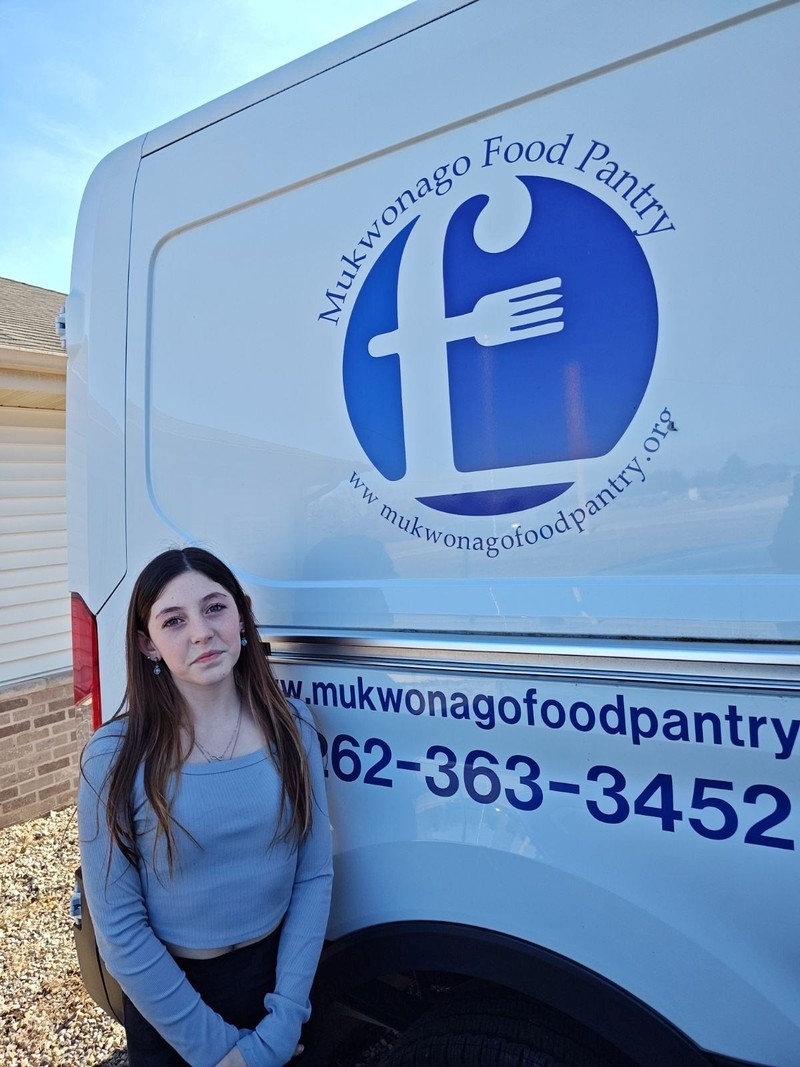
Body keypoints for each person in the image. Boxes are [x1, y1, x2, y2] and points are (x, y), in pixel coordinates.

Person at [78, 547, 333, 1067]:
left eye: (215, 608)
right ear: (148, 645)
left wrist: (284, 1022)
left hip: (279, 990)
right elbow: (120, 929)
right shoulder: (114, 758)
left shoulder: (294, 726)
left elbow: (314, 874)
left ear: (241, 614)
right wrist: (221, 1054)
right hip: (172, 1010)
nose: (201, 632)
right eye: (174, 620)